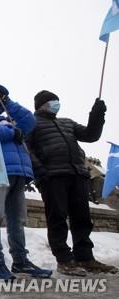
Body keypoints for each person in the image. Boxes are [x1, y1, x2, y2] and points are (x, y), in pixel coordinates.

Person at [26, 90, 118, 276]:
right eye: (52, 102)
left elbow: (90, 135)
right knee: (57, 217)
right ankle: (64, 260)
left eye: (57, 101)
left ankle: (85, 257)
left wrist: (97, 115)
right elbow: (27, 149)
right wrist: (40, 172)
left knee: (82, 218)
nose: (56, 104)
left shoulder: (66, 122)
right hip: (52, 177)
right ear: (41, 104)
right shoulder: (32, 124)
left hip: (77, 174)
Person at [0, 81, 52, 280]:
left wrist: (7, 101)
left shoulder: (7, 116)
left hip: (18, 172)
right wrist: (13, 133)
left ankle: (20, 261)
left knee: (17, 220)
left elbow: (29, 121)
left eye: (0, 96)